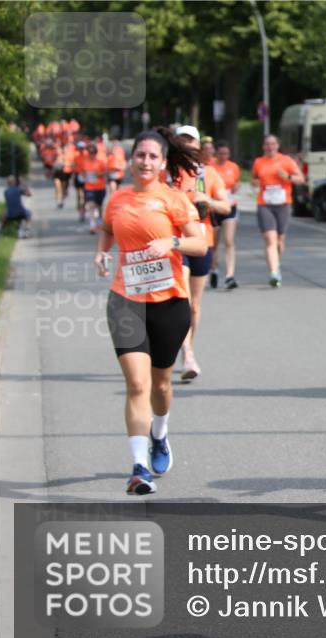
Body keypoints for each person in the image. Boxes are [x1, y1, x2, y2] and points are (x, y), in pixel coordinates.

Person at [93, 127, 209, 495]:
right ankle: (139, 468)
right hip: (125, 301)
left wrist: (171, 242)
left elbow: (200, 244)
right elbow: (107, 228)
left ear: (162, 163)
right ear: (131, 160)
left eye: (152, 156)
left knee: (160, 384)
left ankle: (160, 434)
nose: (145, 161)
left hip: (169, 304)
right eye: (140, 155)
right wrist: (101, 252)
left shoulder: (174, 199)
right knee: (137, 384)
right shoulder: (117, 199)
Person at [171, 125, 231, 381]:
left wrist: (208, 201)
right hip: (177, 241)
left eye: (191, 140)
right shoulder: (167, 172)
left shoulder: (208, 173)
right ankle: (187, 355)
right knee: (183, 300)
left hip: (202, 241)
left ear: (198, 145)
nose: (187, 145)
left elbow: (226, 206)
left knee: (195, 306)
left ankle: (189, 348)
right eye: (182, 140)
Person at [251, 134, 304, 287]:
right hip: (265, 204)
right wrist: (257, 182)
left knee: (280, 241)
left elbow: (301, 179)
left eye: (273, 144)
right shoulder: (259, 162)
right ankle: (274, 273)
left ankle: (276, 264)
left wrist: (287, 176)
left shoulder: (286, 160)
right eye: (267, 144)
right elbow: (253, 180)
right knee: (270, 239)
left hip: (283, 204)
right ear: (263, 146)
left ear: (277, 146)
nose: (270, 147)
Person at [209, 140, 241, 289]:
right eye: (221, 154)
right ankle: (214, 269)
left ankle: (230, 275)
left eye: (226, 154)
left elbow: (236, 182)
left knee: (229, 240)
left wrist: (236, 187)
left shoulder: (233, 167)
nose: (223, 156)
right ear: (216, 153)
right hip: (214, 208)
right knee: (214, 244)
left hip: (230, 206)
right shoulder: (210, 167)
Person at [78, 143, 109, 234]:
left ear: (96, 153)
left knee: (99, 206)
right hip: (89, 187)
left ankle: (99, 220)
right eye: (90, 152)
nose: (91, 154)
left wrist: (99, 174)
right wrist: (83, 176)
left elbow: (106, 173)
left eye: (93, 152)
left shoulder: (100, 162)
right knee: (91, 205)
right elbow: (81, 172)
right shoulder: (84, 162)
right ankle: (92, 224)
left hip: (100, 187)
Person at [53, 134, 76, 209]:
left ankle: (62, 199)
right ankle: (59, 201)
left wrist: (65, 164)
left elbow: (73, 164)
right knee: (58, 186)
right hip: (57, 172)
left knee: (63, 188)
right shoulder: (57, 151)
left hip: (65, 173)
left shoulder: (70, 153)